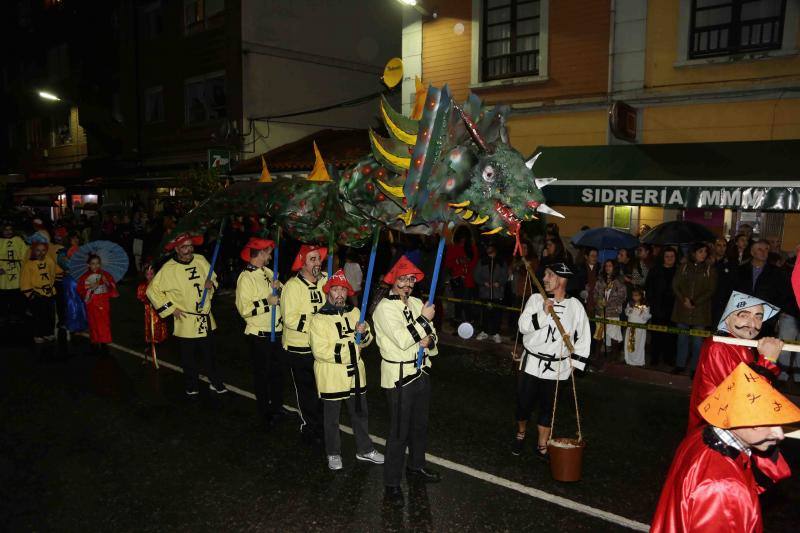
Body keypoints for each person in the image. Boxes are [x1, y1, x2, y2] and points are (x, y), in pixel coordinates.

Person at [651, 362, 800, 532]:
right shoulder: (725, 488)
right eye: (768, 423)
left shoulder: (700, 435)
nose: (780, 434)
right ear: (739, 419)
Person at [373, 256, 440, 505]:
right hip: (399, 377)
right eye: (403, 278)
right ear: (393, 279)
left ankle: (416, 467)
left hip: (421, 371)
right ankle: (392, 484)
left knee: (420, 427)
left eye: (412, 279)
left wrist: (429, 340)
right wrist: (423, 321)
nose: (408, 284)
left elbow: (432, 334)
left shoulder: (416, 302)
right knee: (399, 433)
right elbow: (402, 340)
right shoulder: (384, 309)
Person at [308, 269, 384, 471]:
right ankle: (333, 452)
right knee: (331, 419)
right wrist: (352, 348)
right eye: (336, 290)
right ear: (328, 292)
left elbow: (367, 341)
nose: (340, 294)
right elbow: (320, 351)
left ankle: (365, 449)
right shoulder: (318, 319)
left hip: (355, 375)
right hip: (332, 376)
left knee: (360, 413)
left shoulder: (355, 313)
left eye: (343, 290)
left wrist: (364, 333)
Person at [513, 262, 590, 459]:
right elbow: (523, 326)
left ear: (562, 279)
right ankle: (521, 433)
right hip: (531, 364)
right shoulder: (536, 299)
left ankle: (542, 444)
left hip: (558, 368)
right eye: (545, 274)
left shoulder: (575, 306)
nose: (544, 279)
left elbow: (584, 337)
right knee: (523, 404)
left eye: (550, 275)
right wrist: (543, 312)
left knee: (548, 409)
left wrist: (575, 365)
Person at [147, 233, 228, 396]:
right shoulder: (169, 269)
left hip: (205, 318)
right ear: (177, 249)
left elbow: (213, 279)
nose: (189, 249)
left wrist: (211, 285)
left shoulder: (200, 260)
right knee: (188, 357)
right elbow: (152, 291)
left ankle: (215, 381)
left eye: (191, 246)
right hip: (186, 319)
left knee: (209, 354)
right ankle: (191, 384)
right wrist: (171, 308)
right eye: (184, 247)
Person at [235, 237, 288, 430]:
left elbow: (282, 295)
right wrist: (267, 302)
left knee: (277, 374)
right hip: (259, 336)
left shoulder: (269, 272)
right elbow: (244, 309)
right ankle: (265, 412)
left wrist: (280, 290)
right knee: (262, 376)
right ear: (261, 253)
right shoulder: (245, 278)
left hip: (277, 332)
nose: (271, 256)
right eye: (268, 252)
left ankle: (278, 406)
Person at [281, 243, 328, 444]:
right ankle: (310, 428)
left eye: (319, 258)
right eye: (313, 259)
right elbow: (289, 318)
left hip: (322, 347)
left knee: (323, 389)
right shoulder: (292, 286)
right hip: (299, 348)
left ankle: (324, 425)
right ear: (302, 263)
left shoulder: (325, 280)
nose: (318, 263)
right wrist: (317, 325)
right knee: (307, 392)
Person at [671, 243, 717, 374]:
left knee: (697, 342)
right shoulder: (683, 267)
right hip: (683, 309)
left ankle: (695, 368)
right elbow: (675, 285)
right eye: (700, 251)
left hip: (700, 311)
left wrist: (695, 302)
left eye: (705, 252)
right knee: (682, 339)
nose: (703, 254)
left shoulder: (710, 270)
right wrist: (684, 299)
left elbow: (711, 290)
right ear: (693, 253)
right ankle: (680, 365)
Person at [733, 239, 791, 337]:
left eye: (766, 249)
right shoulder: (740, 270)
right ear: (752, 252)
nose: (764, 252)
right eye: (760, 249)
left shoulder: (777, 272)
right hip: (742, 316)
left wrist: (775, 317)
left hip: (766, 319)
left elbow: (783, 295)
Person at [20, 238, 63, 343]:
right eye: (38, 250)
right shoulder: (29, 265)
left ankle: (48, 333)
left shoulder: (49, 260)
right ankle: (38, 334)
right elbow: (24, 281)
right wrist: (31, 295)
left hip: (50, 293)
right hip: (37, 293)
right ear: (33, 251)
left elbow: (56, 270)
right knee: (38, 316)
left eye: (43, 250)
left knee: (50, 315)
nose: (41, 253)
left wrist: (64, 269)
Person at [76, 254, 119, 355]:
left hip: (103, 302)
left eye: (97, 263)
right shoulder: (84, 277)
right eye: (93, 264)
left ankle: (104, 342)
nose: (95, 266)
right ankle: (94, 341)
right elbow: (81, 291)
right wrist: (91, 289)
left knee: (104, 323)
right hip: (92, 303)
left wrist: (106, 282)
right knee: (93, 322)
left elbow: (112, 288)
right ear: (88, 265)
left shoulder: (105, 275)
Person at [646, 247, 678, 367]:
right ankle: (654, 358)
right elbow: (648, 287)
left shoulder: (679, 270)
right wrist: (652, 303)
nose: (669, 258)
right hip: (658, 307)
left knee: (671, 335)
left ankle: (669, 358)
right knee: (656, 334)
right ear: (662, 257)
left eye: (672, 256)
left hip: (674, 308)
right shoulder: (655, 270)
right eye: (667, 256)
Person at [473, 241, 508, 343]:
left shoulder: (501, 262)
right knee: (484, 313)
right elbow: (476, 275)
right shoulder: (482, 261)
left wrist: (499, 283)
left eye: (491, 248)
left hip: (497, 293)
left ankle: (495, 333)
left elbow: (505, 275)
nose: (489, 250)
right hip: (485, 293)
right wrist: (483, 283)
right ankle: (484, 332)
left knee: (497, 314)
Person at [444, 227, 478, 327]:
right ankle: (458, 325)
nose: (463, 240)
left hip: (469, 279)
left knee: (467, 304)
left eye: (465, 237)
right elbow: (447, 264)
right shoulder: (452, 247)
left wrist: (467, 262)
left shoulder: (472, 248)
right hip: (457, 280)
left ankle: (468, 325)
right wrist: (458, 261)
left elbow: (475, 263)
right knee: (458, 304)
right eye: (461, 237)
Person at [594, 259, 627, 361]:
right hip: (600, 311)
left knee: (614, 335)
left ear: (614, 268)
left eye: (610, 266)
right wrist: (599, 301)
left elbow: (622, 297)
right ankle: (596, 355)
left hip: (613, 312)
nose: (607, 268)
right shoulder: (600, 280)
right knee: (599, 334)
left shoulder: (619, 281)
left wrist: (609, 303)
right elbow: (595, 294)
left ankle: (614, 356)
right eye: (606, 266)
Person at [136, 263, 168, 363]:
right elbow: (140, 296)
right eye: (147, 274)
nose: (150, 276)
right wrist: (147, 299)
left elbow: (165, 296)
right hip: (149, 310)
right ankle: (150, 340)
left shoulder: (159, 284)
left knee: (160, 323)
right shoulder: (143, 286)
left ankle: (160, 340)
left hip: (159, 310)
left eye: (152, 274)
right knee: (150, 325)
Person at [0, 222, 28, 324]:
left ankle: (16, 314)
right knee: (3, 296)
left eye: (10, 229)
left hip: (16, 271)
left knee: (16, 295)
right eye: (6, 230)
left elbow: (25, 254)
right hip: (2, 272)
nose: (8, 232)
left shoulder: (18, 240)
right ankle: (3, 315)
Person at [623, 287, 650, 367]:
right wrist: (630, 309)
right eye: (633, 295)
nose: (634, 297)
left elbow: (646, 316)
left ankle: (639, 362)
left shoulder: (645, 305)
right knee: (630, 345)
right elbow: (627, 313)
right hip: (631, 327)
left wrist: (641, 311)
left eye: (636, 295)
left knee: (638, 345)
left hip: (640, 329)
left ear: (641, 296)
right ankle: (629, 360)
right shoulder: (630, 303)